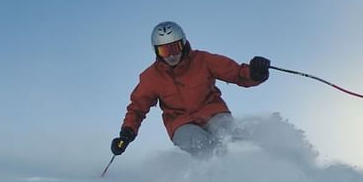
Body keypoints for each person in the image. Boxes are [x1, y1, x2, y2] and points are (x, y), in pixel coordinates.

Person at [110, 21, 270, 159]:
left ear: (183, 43)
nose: (171, 55)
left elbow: (236, 73)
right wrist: (126, 133)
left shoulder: (203, 60)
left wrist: (255, 73)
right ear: (157, 51)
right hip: (181, 124)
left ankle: (253, 165)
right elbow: (137, 109)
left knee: (230, 136)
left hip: (214, 113)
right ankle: (220, 179)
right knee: (203, 146)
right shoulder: (151, 77)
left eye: (175, 47)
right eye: (165, 51)